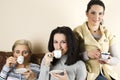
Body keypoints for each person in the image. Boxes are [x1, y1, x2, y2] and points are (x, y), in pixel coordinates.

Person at [73, 0, 120, 80]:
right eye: (93, 13)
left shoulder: (108, 33)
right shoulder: (78, 31)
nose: (97, 17)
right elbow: (72, 57)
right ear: (87, 13)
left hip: (108, 74)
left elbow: (117, 59)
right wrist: (87, 54)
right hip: (89, 73)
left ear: (103, 15)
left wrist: (109, 60)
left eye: (100, 13)